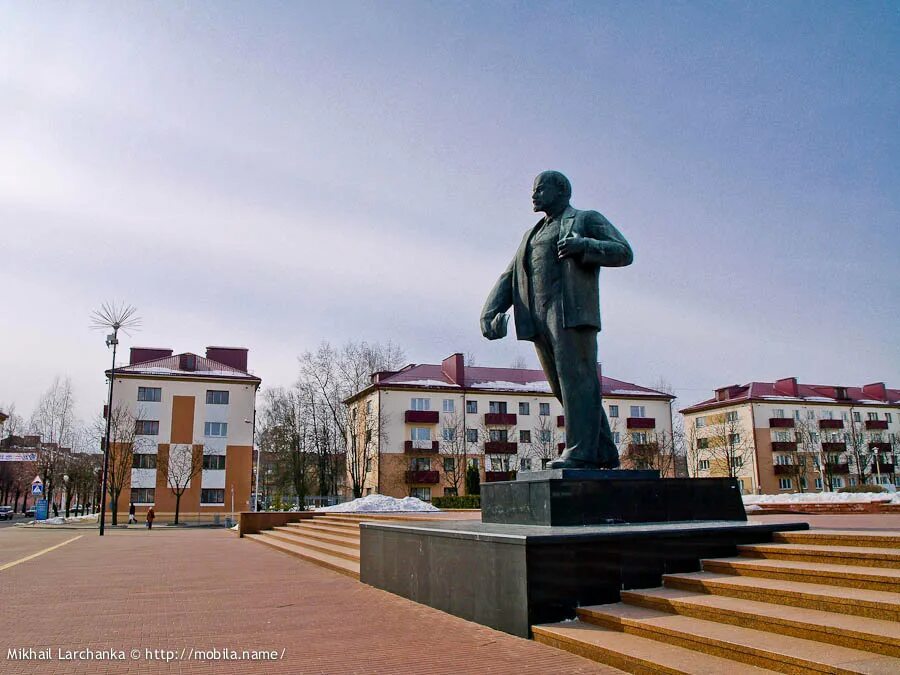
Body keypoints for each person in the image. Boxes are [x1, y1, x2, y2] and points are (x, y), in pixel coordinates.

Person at [481, 170, 633, 469]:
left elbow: (624, 252)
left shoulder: (585, 219)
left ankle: (580, 452)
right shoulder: (532, 235)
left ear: (561, 191)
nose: (534, 194)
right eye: (533, 190)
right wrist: (490, 311)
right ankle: (601, 451)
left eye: (540, 189)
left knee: (578, 382)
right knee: (563, 387)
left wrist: (585, 246)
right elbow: (510, 275)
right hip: (538, 318)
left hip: (571, 313)